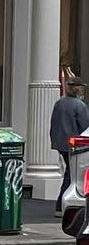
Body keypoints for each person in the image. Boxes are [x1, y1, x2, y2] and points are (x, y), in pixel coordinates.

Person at [49, 77, 89, 214]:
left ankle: (60, 206)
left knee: (69, 173)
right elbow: (85, 127)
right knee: (71, 175)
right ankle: (61, 206)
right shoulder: (80, 106)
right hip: (75, 146)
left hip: (61, 143)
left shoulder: (59, 103)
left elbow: (53, 124)